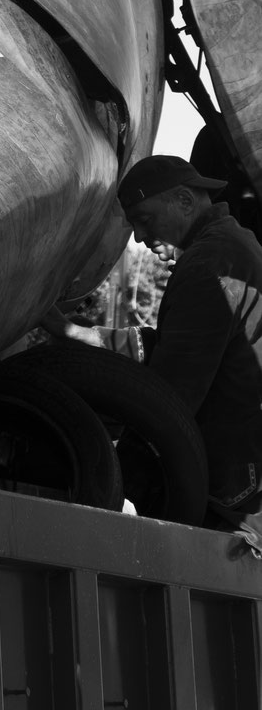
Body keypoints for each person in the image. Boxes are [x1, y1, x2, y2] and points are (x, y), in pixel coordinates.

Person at [119, 154, 262, 535]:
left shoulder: (208, 265)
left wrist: (113, 476)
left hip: (234, 503)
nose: (137, 237)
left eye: (144, 219)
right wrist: (77, 335)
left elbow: (171, 401)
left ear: (184, 201)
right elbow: (182, 347)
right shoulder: (235, 243)